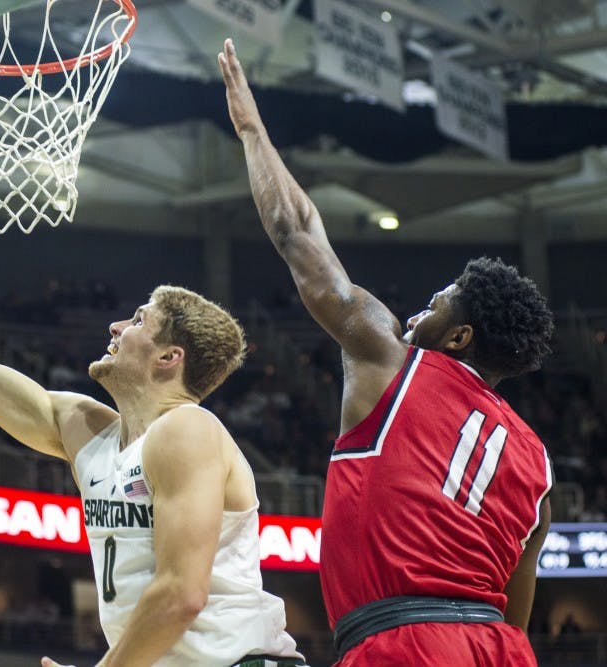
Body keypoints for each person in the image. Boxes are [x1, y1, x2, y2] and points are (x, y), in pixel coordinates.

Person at [219, 38, 554, 667]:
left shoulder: (392, 360)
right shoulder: (539, 465)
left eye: (437, 304)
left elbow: (298, 236)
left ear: (459, 338)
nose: (419, 310)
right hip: (500, 649)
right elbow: (516, 611)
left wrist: (250, 129)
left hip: (405, 640)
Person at [0, 236, 303, 667]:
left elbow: (182, 596)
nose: (115, 326)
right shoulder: (86, 429)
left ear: (168, 358)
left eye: (137, 320)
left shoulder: (187, 430)